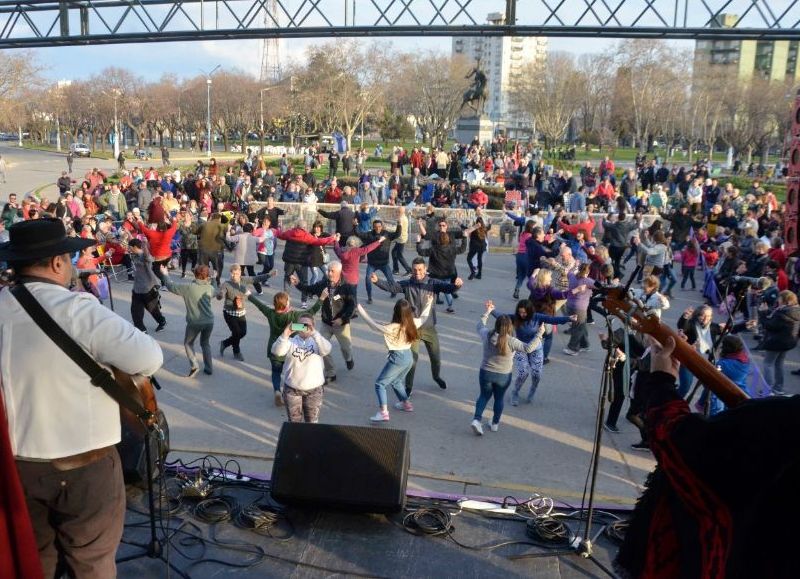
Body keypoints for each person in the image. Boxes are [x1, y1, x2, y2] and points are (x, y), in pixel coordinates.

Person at [0, 218, 163, 577]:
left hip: (18, 467)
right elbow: (149, 358)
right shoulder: (79, 309)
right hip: (84, 467)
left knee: (37, 561)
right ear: (57, 263)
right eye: (69, 259)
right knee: (91, 562)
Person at [373, 257, 462, 393]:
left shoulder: (433, 283)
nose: (417, 272)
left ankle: (436, 377)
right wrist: (377, 281)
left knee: (436, 358)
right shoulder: (408, 284)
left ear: (425, 269)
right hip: (412, 329)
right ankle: (408, 388)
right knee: (412, 361)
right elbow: (393, 287)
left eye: (420, 269)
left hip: (429, 328)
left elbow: (448, 288)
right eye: (414, 270)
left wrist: (457, 286)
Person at [471, 301, 545, 435]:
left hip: (486, 372)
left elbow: (479, 325)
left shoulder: (487, 334)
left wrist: (487, 312)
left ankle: (476, 420)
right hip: (503, 375)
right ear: (510, 327)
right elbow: (528, 348)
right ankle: (494, 423)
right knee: (499, 399)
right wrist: (539, 334)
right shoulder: (512, 341)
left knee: (483, 396)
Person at [358, 298, 432, 422]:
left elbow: (372, 325)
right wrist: (428, 303)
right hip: (409, 356)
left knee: (380, 384)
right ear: (409, 312)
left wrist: (360, 310)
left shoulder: (392, 328)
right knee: (397, 381)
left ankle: (383, 413)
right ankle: (406, 404)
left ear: (395, 312)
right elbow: (424, 317)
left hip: (397, 358)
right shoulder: (413, 323)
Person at [248, 290, 325, 406]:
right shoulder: (294, 316)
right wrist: (321, 299)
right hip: (289, 349)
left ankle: (277, 391)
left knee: (276, 372)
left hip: (274, 347)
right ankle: (290, 392)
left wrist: (249, 295)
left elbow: (260, 305)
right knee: (290, 372)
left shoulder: (270, 313)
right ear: (287, 303)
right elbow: (311, 313)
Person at [491, 299, 573, 406]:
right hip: (521, 347)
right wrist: (491, 310)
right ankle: (515, 392)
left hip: (536, 347)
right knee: (523, 373)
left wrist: (568, 318)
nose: (522, 314)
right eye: (520, 312)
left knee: (536, 373)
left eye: (524, 312)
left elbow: (552, 319)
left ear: (530, 311)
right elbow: (502, 318)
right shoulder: (516, 318)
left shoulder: (537, 317)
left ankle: (533, 389)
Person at [289, 261, 357, 383]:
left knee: (346, 348)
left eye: (332, 271)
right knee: (321, 346)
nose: (329, 273)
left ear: (339, 272)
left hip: (341, 324)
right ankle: (331, 372)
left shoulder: (347, 286)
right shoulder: (323, 284)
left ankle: (349, 358)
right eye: (328, 270)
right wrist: (298, 284)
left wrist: (342, 319)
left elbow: (352, 306)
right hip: (326, 323)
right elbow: (310, 289)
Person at [271, 314, 332, 423]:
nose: (304, 327)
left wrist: (315, 334)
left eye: (307, 325)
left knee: (312, 423)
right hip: (292, 389)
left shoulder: (317, 341)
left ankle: (311, 440)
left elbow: (327, 349)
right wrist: (285, 335)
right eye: (300, 325)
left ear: (313, 326)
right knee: (294, 423)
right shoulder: (290, 341)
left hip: (314, 390)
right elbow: (277, 352)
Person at [161, 264, 217, 376]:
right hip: (209, 321)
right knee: (205, 343)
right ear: (207, 277)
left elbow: (171, 286)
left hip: (194, 322)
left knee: (188, 343)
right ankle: (209, 368)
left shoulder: (188, 287)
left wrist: (165, 274)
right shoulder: (210, 288)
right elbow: (214, 290)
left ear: (195, 275)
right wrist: (214, 279)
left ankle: (194, 365)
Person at [217, 264, 273, 361]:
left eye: (237, 273)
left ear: (240, 273)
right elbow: (221, 293)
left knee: (242, 332)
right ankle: (237, 352)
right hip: (229, 313)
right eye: (233, 273)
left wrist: (269, 275)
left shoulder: (243, 280)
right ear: (230, 273)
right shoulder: (226, 284)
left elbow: (256, 278)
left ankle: (225, 343)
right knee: (237, 332)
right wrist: (220, 295)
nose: (234, 275)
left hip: (241, 312)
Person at [758, 290, 800, 395]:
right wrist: (768, 312)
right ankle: (778, 388)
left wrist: (763, 313)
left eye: (780, 298)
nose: (778, 300)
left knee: (768, 364)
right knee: (779, 364)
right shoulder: (795, 310)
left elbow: (770, 326)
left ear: (785, 300)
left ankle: (767, 389)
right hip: (788, 342)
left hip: (776, 342)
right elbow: (776, 321)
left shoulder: (782, 312)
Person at [128, 238, 167, 333]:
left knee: (153, 309)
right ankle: (141, 330)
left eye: (130, 247)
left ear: (134, 247)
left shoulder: (144, 256)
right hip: (137, 288)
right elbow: (133, 242)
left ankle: (162, 321)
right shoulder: (135, 255)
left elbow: (147, 255)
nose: (128, 249)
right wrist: (129, 233)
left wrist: (145, 244)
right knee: (135, 311)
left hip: (148, 289)